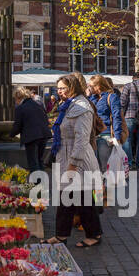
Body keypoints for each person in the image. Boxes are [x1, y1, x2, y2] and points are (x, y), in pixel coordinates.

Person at [49, 74, 103, 248]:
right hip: (66, 157)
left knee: (84, 200)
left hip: (79, 162)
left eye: (62, 88)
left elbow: (82, 139)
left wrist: (73, 164)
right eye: (58, 88)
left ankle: (94, 234)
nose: (59, 92)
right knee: (67, 198)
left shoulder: (82, 107)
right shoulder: (69, 105)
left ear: (72, 87)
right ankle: (61, 235)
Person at [10, 85, 50, 173]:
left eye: (15, 99)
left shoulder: (20, 108)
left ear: (18, 97)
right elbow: (46, 119)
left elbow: (17, 125)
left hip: (31, 137)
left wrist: (11, 135)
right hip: (44, 135)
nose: (15, 102)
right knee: (39, 160)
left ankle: (37, 184)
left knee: (33, 162)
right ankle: (43, 183)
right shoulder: (38, 104)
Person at [89, 75, 122, 169]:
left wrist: (117, 136)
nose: (89, 88)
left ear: (98, 86)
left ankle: (107, 183)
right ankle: (102, 183)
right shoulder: (92, 98)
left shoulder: (112, 97)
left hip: (106, 136)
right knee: (95, 166)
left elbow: (117, 117)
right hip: (94, 136)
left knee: (105, 166)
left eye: (91, 86)